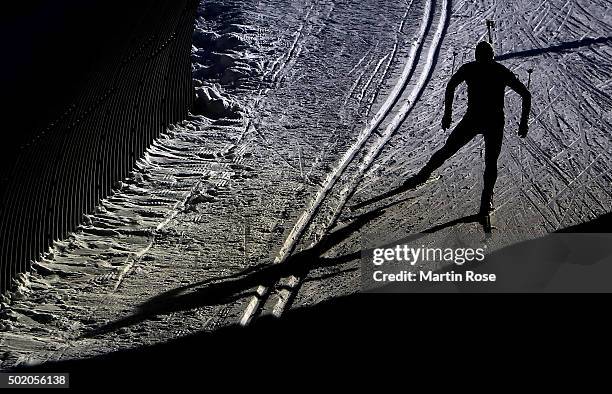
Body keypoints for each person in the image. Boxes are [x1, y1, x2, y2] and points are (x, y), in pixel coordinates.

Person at [405, 41, 531, 220]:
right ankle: (486, 201)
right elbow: (526, 94)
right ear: (492, 55)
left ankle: (423, 175)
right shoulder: (500, 71)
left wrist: (448, 114)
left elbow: (451, 86)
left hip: (473, 118)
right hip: (493, 121)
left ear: (476, 56)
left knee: (449, 150)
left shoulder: (470, 68)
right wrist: (523, 123)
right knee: (490, 162)